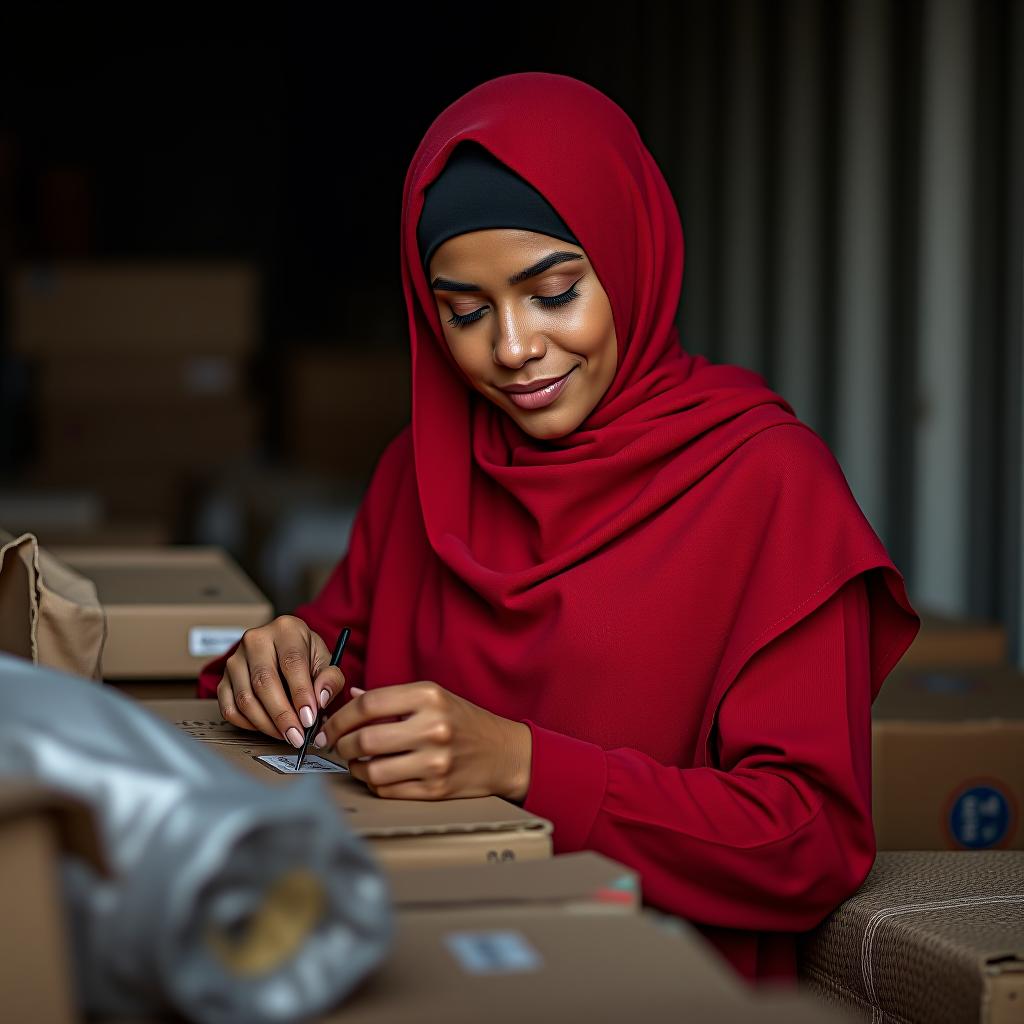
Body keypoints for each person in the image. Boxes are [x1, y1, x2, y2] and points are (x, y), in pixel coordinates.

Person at [198, 72, 920, 984]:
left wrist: (523, 763)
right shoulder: (423, 472)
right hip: (420, 964)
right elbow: (342, 673)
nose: (510, 348)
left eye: (554, 292)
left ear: (630, 257)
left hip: (658, 985)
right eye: (464, 311)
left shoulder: (767, 484)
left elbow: (808, 839)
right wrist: (275, 664)